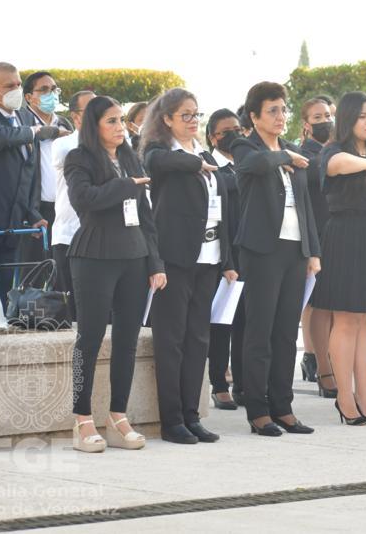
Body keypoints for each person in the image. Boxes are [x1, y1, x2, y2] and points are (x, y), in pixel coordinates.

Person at [64, 96, 166, 453]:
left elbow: (147, 217)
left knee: (127, 340)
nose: (121, 127)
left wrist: (155, 263)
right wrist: (127, 185)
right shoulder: (79, 158)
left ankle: (118, 417)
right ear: (93, 126)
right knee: (88, 341)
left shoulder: (129, 157)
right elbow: (85, 199)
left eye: (122, 120)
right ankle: (81, 419)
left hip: (134, 257)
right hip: (93, 255)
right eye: (111, 121)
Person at [142, 88, 236, 445]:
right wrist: (197, 163)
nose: (193, 121)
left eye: (196, 114)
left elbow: (222, 208)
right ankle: (172, 420)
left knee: (199, 339)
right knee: (171, 341)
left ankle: (191, 415)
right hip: (176, 259)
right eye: (185, 115)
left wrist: (227, 259)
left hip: (209, 259)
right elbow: (157, 164)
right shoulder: (161, 152)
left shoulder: (202, 152)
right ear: (166, 119)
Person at [232, 82, 322, 436]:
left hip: (294, 250)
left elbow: (306, 207)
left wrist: (313, 251)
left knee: (287, 332)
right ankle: (258, 410)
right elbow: (254, 164)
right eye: (272, 110)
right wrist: (284, 157)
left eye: (284, 109)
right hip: (261, 251)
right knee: (260, 331)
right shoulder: (245, 146)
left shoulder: (291, 149)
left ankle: (283, 407)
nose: (281, 116)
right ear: (254, 116)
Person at [312, 91, 366, 425]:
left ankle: (365, 398)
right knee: (347, 319)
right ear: (348, 119)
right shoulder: (334, 152)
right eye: (362, 115)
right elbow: (337, 167)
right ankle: (344, 398)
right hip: (347, 236)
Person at [0, 62, 56, 305]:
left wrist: (31, 213)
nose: (16, 90)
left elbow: (26, 173)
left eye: (19, 84)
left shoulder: (21, 116)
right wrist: (35, 132)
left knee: (4, 293)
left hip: (13, 223)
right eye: (9, 86)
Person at [204, 109, 247, 411]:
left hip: (250, 251)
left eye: (237, 129)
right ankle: (219, 384)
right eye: (224, 131)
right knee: (221, 322)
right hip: (221, 252)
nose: (232, 134)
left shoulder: (247, 164)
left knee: (247, 322)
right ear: (212, 137)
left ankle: (245, 383)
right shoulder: (209, 168)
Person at [299, 97, 334, 393]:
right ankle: (314, 358)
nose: (325, 120)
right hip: (316, 233)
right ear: (307, 124)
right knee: (316, 301)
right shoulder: (305, 154)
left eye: (329, 115)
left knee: (332, 302)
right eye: (319, 117)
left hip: (339, 233)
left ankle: (325, 359)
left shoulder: (337, 149)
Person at [51, 90, 96, 315]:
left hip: (104, 240)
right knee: (75, 311)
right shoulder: (64, 145)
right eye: (91, 110)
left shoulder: (118, 146)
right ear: (76, 117)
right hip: (69, 237)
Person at [21, 71, 73, 262]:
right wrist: (30, 211)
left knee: (64, 271)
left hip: (65, 208)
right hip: (37, 210)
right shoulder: (23, 124)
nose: (51, 94)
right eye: (43, 90)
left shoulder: (64, 123)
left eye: (53, 89)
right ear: (29, 97)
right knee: (37, 271)